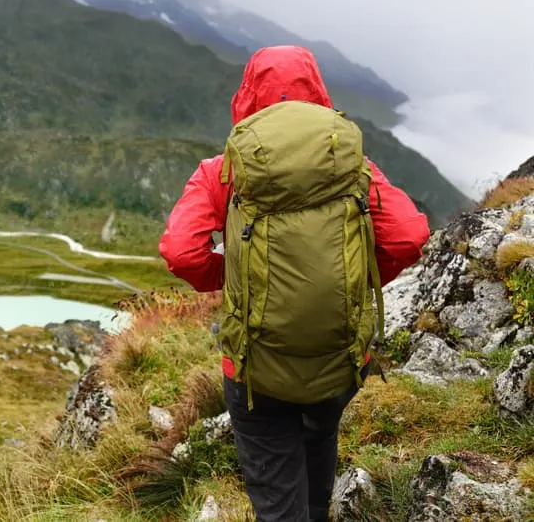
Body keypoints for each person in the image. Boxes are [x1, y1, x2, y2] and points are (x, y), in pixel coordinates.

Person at [158, 45, 430, 521]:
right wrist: (356, 287)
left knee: (276, 492)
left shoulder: (222, 171)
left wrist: (234, 280)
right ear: (317, 91)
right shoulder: (353, 168)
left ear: (246, 95)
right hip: (340, 356)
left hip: (255, 368)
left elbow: (180, 251)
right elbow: (409, 236)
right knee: (319, 435)